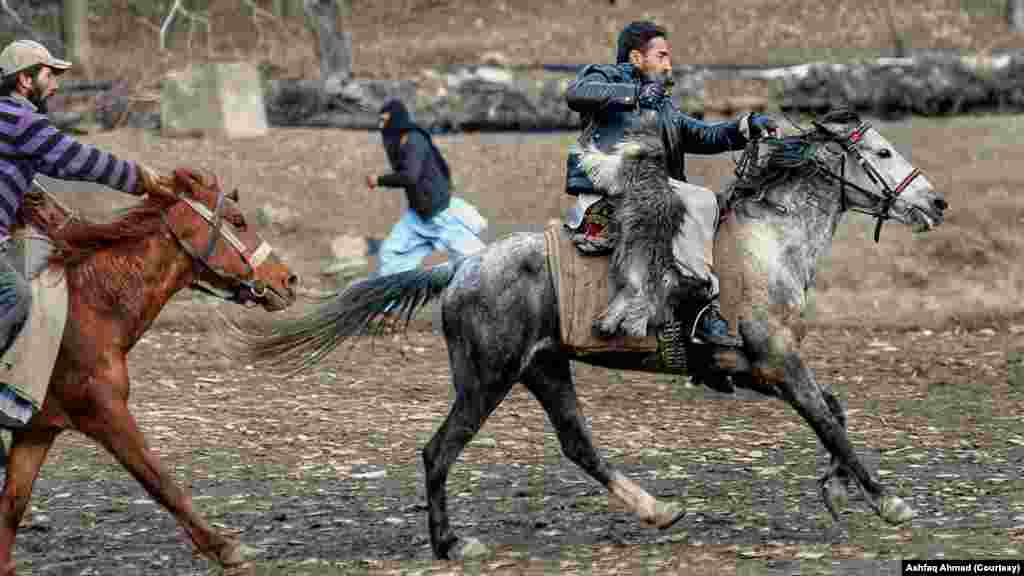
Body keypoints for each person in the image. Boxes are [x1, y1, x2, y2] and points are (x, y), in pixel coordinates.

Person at [563, 20, 778, 346]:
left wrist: (746, 127)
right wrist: (634, 93)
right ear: (636, 58)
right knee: (701, 200)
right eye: (661, 56)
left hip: (653, 187)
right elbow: (577, 93)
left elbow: (705, 134)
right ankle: (698, 305)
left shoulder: (663, 106)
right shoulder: (607, 78)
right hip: (615, 182)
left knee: (711, 203)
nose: (668, 65)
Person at [0, 39, 174, 431]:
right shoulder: (19, 120)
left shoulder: (10, 121)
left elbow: (52, 165)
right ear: (25, 81)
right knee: (15, 295)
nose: (56, 85)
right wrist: (138, 178)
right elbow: (75, 158)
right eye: (49, 75)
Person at [367, 99, 487, 278]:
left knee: (479, 263)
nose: (381, 126)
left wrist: (379, 180)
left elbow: (410, 176)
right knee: (391, 255)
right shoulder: (402, 142)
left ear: (396, 120)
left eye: (384, 120)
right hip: (419, 217)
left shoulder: (413, 140)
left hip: (440, 215)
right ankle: (389, 304)